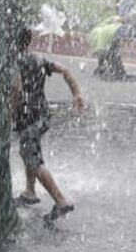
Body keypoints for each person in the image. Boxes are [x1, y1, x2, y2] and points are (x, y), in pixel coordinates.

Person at [10, 26, 85, 222]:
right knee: (30, 150)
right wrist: (76, 93)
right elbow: (65, 70)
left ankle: (61, 200)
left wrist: (9, 111)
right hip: (41, 115)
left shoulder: (14, 61)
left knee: (31, 156)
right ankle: (30, 192)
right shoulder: (38, 59)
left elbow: (17, 89)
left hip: (29, 118)